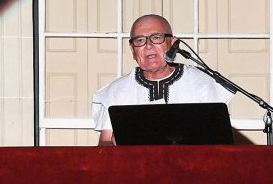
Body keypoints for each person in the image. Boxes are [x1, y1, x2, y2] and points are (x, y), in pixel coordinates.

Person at [92, 14, 234, 146]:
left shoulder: (203, 82)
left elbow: (218, 143)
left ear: (173, 43)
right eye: (140, 40)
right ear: (132, 50)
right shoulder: (117, 91)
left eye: (156, 37)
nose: (148, 46)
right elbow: (105, 147)